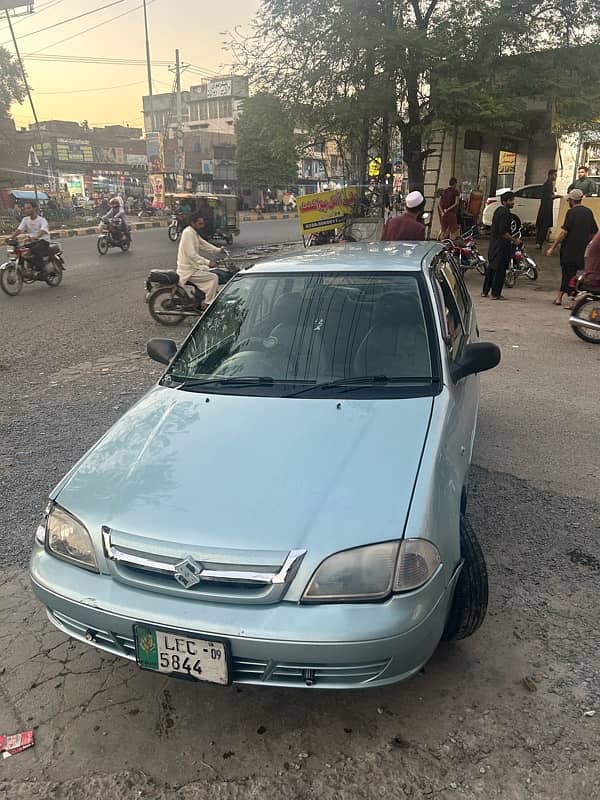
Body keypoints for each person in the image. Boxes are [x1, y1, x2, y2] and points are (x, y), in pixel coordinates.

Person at [547, 188, 598, 306]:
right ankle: (574, 297)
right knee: (577, 275)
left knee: (567, 274)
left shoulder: (571, 213)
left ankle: (559, 298)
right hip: (582, 250)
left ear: (571, 200)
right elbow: (594, 232)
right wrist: (588, 244)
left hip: (569, 249)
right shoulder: (588, 212)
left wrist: (553, 246)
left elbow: (564, 232)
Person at [176, 211, 225, 306]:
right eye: (200, 224)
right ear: (192, 223)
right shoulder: (188, 233)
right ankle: (209, 303)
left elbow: (204, 244)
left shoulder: (193, 232)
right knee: (213, 278)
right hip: (188, 269)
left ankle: (200, 296)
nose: (202, 226)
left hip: (194, 266)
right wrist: (207, 262)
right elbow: (192, 255)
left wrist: (218, 250)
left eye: (202, 224)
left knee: (213, 271)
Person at [481, 191, 521, 300]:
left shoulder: (498, 210)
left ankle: (485, 291)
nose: (512, 203)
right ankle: (495, 293)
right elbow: (503, 232)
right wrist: (514, 240)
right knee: (500, 270)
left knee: (491, 269)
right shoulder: (505, 213)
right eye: (511, 201)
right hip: (501, 246)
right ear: (505, 201)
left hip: (494, 245)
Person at [10, 200, 51, 272]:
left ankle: (42, 270)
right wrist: (11, 237)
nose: (26, 210)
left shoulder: (42, 220)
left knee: (35, 250)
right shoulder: (25, 219)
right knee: (19, 249)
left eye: (28, 208)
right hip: (32, 241)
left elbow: (43, 230)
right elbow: (19, 230)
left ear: (35, 208)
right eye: (25, 208)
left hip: (43, 241)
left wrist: (36, 236)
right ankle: (23, 268)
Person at [535, 168, 559, 249]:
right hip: (545, 208)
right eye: (555, 175)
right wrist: (558, 196)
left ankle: (539, 242)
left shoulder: (550, 184)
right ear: (550, 175)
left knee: (544, 226)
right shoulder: (548, 184)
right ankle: (539, 243)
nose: (556, 176)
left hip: (546, 207)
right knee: (543, 226)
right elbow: (549, 196)